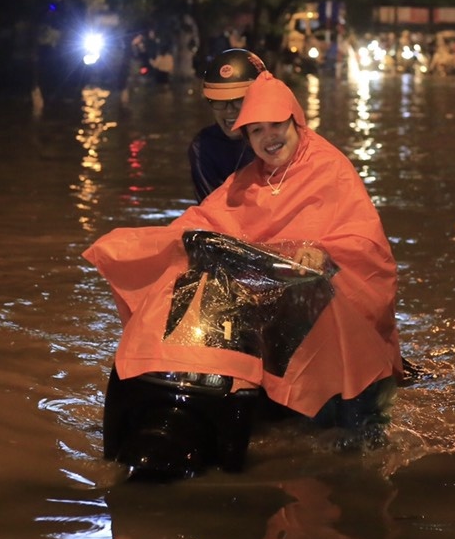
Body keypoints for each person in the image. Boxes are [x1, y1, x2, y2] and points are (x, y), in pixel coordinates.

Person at [86, 71, 402, 442]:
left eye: (276, 125)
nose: (269, 137)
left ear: (295, 121)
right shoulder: (247, 175)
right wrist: (166, 239)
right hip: (271, 297)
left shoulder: (329, 168)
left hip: (324, 305)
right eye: (256, 130)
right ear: (246, 137)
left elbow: (365, 242)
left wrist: (322, 253)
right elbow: (209, 216)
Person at [188, 49, 266, 201]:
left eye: (239, 100)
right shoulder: (204, 147)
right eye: (219, 101)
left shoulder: (282, 138)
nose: (229, 110)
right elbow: (209, 211)